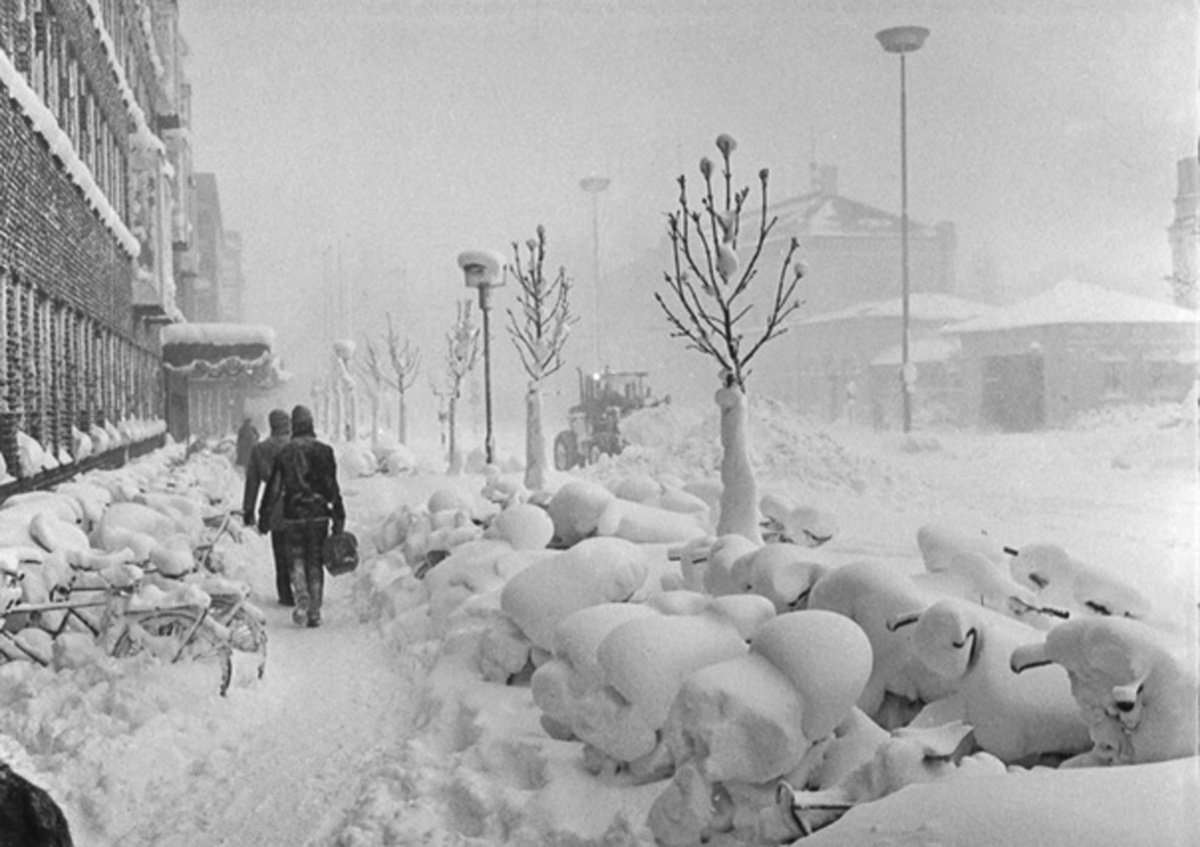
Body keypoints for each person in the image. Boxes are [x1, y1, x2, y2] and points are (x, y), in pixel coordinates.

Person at [257, 405, 345, 628]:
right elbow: (332, 487)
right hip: (318, 514)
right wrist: (338, 515)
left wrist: (264, 516)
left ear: (294, 426)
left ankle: (301, 593)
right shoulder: (324, 451)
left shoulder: (285, 453)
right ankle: (315, 610)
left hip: (293, 514)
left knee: (295, 558)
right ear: (311, 423)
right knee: (315, 560)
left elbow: (274, 488)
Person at [242, 409, 293, 606]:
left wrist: (249, 511)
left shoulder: (260, 450)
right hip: (300, 505)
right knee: (300, 548)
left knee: (280, 552)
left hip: (275, 508)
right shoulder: (297, 446)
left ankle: (285, 592)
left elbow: (252, 484)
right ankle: (304, 586)